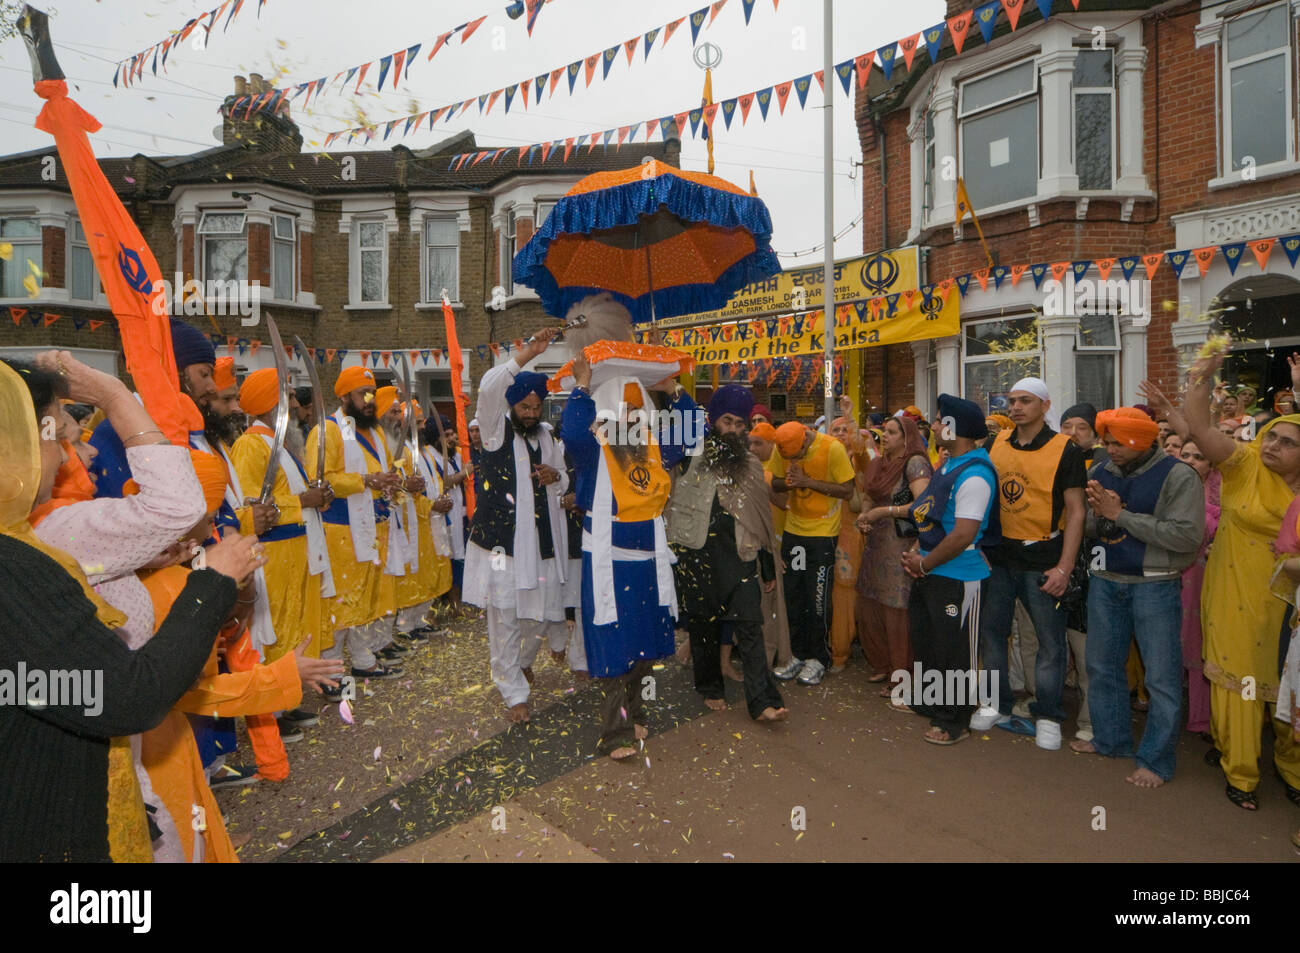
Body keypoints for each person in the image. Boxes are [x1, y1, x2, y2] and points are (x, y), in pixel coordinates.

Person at [0, 356, 259, 862]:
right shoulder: (19, 560)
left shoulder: (26, 542)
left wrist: (138, 564)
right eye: (57, 436)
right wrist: (213, 583)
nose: (67, 455)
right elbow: (123, 696)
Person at [560, 346, 695, 758]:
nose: (633, 418)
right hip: (609, 563)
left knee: (642, 644)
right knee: (615, 646)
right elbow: (571, 433)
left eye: (639, 411)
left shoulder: (654, 448)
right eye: (626, 409)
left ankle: (637, 713)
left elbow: (690, 434)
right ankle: (614, 733)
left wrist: (673, 390)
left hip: (648, 563)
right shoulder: (593, 447)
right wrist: (583, 386)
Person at [1181, 348, 1300, 810]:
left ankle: (1292, 769)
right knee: (1243, 685)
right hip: (1238, 597)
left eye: (1287, 442)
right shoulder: (1245, 465)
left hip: (1290, 611)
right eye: (1271, 437)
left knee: (1291, 685)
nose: (1273, 446)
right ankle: (1242, 772)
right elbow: (1199, 428)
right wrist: (1200, 378)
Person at [1068, 409, 1204, 787]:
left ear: (1143, 442)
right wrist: (1100, 515)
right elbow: (1093, 527)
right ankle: (1111, 740)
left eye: (1117, 443)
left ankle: (1156, 761)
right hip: (1107, 579)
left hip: (1156, 584)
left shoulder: (1179, 476)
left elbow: (1187, 538)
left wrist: (1120, 514)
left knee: (1161, 678)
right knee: (1102, 666)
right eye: (1106, 441)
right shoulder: (1100, 473)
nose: (1109, 449)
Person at [972, 377, 1086, 751]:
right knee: (992, 634)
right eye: (1012, 400)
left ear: (1044, 405)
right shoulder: (995, 443)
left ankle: (1049, 715)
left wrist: (1064, 567)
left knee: (1050, 643)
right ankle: (996, 704)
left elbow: (1076, 511)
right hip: (1000, 556)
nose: (1016, 407)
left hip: (1043, 558)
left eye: (1025, 401)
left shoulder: (1064, 449)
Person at [466, 330, 569, 723]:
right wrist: (526, 354)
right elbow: (489, 388)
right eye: (524, 406)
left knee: (540, 612)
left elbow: (564, 480)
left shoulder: (545, 436)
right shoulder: (494, 431)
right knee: (505, 616)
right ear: (511, 406)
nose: (531, 412)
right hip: (500, 546)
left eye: (535, 406)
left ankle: (524, 662)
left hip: (541, 544)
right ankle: (513, 691)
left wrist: (554, 478)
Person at [667, 384, 787, 723]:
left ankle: (762, 699)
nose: (734, 430)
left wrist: (766, 564)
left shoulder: (749, 462)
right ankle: (710, 687)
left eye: (739, 424)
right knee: (703, 625)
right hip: (698, 552)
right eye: (727, 421)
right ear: (713, 421)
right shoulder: (691, 450)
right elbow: (684, 422)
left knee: (751, 625)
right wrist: (674, 391)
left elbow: (760, 517)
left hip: (741, 553)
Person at [230, 368, 336, 738]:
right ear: (269, 405)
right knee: (273, 633)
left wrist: (317, 498)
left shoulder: (279, 445)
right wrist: (302, 502)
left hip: (296, 553)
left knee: (293, 630)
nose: (295, 404)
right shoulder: (249, 445)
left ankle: (285, 704)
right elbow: (249, 507)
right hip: (273, 555)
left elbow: (288, 496)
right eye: (287, 398)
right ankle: (269, 712)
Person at [897, 394, 999, 745]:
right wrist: (917, 552)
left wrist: (924, 563)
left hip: (959, 577)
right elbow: (930, 515)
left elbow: (964, 533)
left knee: (956, 650)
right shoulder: (949, 464)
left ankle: (955, 720)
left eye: (941, 421)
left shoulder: (975, 474)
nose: (936, 426)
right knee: (928, 641)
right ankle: (932, 702)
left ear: (957, 428)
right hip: (932, 571)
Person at [306, 366, 405, 682]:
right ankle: (332, 671)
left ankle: (363, 659)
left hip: (376, 528)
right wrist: (366, 480)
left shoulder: (375, 432)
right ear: (344, 396)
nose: (369, 400)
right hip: (340, 531)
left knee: (367, 599)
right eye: (362, 394)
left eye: (372, 394)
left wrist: (390, 482)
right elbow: (320, 480)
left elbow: (387, 469)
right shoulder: (328, 431)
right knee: (340, 602)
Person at [768, 420, 856, 686]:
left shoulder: (832, 448)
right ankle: (796, 654)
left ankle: (819, 658)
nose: (792, 459)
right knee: (793, 595)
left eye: (797, 455)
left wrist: (809, 481)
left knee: (817, 598)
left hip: (823, 534)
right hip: (795, 531)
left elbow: (848, 490)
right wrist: (790, 483)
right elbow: (776, 482)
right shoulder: (782, 447)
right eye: (788, 457)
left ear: (806, 439)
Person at [855, 414, 932, 703]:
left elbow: (924, 505)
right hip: (876, 544)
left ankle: (902, 675)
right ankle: (883, 664)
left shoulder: (915, 463)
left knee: (896, 610)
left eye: (891, 432)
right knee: (869, 604)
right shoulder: (878, 463)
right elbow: (868, 496)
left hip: (901, 543)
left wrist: (882, 513)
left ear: (906, 437)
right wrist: (865, 516)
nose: (884, 436)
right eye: (883, 432)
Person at [747, 421, 793, 670]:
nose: (753, 448)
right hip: (758, 542)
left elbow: (784, 502)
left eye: (759, 443)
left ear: (772, 445)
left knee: (776, 603)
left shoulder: (777, 468)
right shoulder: (748, 467)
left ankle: (775, 654)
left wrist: (763, 483)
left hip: (780, 539)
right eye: (750, 443)